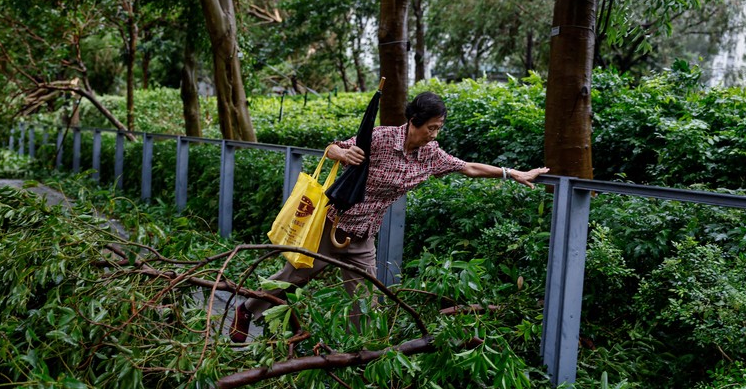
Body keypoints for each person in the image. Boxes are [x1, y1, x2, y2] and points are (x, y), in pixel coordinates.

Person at [230, 91, 548, 343]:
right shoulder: (381, 138)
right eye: (430, 128)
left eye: (439, 128)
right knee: (293, 278)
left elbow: (468, 167)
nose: (434, 135)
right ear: (413, 121)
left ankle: (360, 358)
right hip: (333, 228)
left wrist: (513, 173)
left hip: (363, 237)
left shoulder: (430, 154)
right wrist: (342, 153)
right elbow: (333, 148)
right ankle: (246, 309)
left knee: (366, 304)